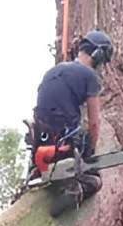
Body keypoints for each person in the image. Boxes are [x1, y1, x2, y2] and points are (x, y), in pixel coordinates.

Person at [32, 30, 114, 212]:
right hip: (61, 144)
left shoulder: (55, 71)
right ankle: (73, 191)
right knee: (95, 182)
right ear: (98, 55)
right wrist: (90, 151)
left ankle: (45, 175)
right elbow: (94, 122)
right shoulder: (90, 76)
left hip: (41, 142)